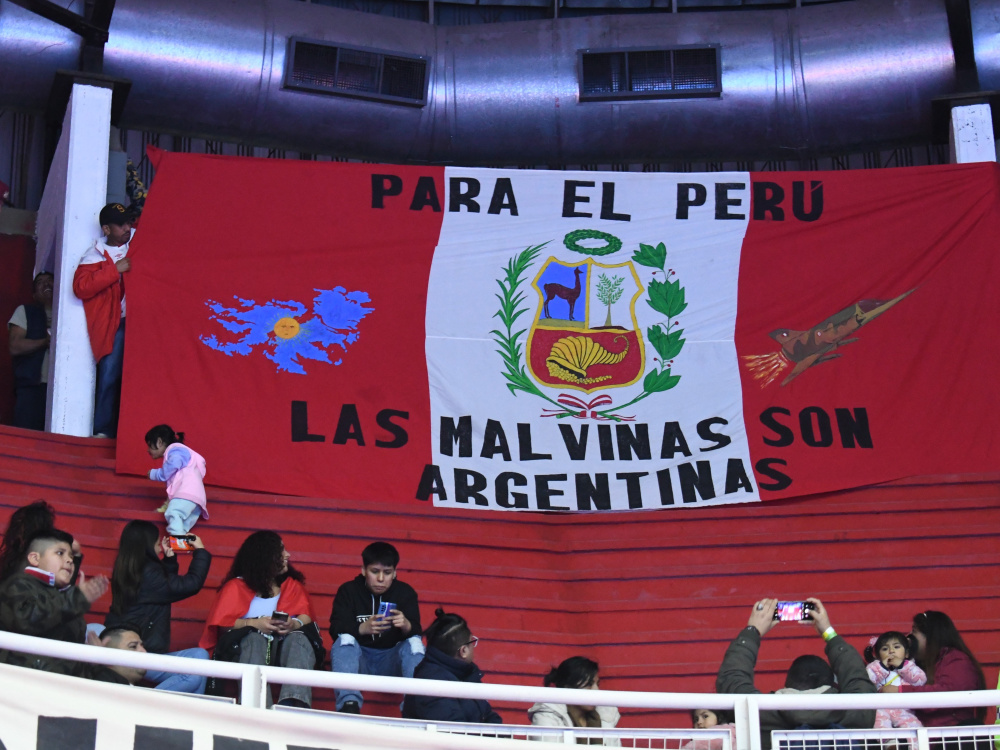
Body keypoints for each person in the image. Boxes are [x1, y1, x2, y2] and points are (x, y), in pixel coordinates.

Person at [716, 597, 875, 750]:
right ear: (833, 684)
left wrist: (753, 630)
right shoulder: (856, 711)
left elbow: (731, 681)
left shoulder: (760, 715)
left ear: (787, 686)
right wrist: (828, 633)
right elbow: (858, 679)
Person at [199, 531, 320, 708]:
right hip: (247, 652)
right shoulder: (235, 587)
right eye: (281, 551)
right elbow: (223, 626)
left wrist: (294, 624)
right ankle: (257, 708)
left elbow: (306, 616)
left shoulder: (291, 585)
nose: (288, 555)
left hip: (283, 650)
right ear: (266, 557)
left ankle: (294, 705)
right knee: (254, 639)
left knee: (299, 639)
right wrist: (255, 624)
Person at [105, 520, 211, 693]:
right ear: (147, 547)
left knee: (200, 657)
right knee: (194, 672)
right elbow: (190, 584)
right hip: (139, 653)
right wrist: (200, 550)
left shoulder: (131, 569)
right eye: (156, 544)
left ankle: (187, 709)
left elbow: (163, 590)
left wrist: (170, 561)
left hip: (143, 651)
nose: (160, 549)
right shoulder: (148, 573)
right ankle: (145, 701)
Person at [329, 541, 424, 713]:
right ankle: (349, 704)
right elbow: (335, 628)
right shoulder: (348, 591)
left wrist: (406, 625)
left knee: (415, 643)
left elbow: (417, 631)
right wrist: (361, 629)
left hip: (391, 661)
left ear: (395, 573)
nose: (381, 579)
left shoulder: (405, 592)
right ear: (363, 570)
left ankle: (414, 707)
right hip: (359, 660)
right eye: (375, 571)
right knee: (345, 640)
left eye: (387, 573)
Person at [0, 529, 109, 677]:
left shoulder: (66, 598)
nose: (69, 560)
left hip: (62, 684)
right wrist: (77, 598)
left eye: (71, 556)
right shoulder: (18, 584)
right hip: (25, 682)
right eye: (60, 553)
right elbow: (27, 619)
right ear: (35, 559)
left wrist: (93, 661)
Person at [72, 202, 134, 438]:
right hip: (117, 325)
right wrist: (115, 270)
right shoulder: (93, 255)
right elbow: (81, 287)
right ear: (106, 229)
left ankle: (132, 431)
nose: (127, 228)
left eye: (128, 222)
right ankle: (103, 431)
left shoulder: (139, 244)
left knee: (141, 376)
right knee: (109, 375)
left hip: (143, 322)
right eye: (121, 225)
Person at [880, 611, 986, 726]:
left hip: (950, 733)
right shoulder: (915, 665)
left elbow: (947, 694)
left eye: (914, 631)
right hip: (922, 733)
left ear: (930, 636)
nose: (908, 637)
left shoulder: (956, 660)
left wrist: (900, 691)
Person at [402, 607, 502, 724]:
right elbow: (453, 731)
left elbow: (488, 714)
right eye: (472, 641)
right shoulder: (432, 685)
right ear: (463, 651)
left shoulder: (466, 672)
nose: (473, 647)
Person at [528, 655, 620, 745]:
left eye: (597, 684)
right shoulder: (547, 717)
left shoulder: (606, 717)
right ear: (567, 687)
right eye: (589, 684)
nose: (596, 691)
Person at [8, 271, 54, 430]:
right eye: (40, 282)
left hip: (61, 389)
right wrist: (44, 342)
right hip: (32, 386)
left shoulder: (70, 313)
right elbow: (15, 346)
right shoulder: (25, 311)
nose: (46, 284)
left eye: (50, 280)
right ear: (34, 294)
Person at [145, 425, 209, 536]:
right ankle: (181, 542)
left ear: (159, 442)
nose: (148, 450)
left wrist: (154, 474)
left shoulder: (176, 450)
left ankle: (178, 541)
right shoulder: (183, 452)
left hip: (186, 494)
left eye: (149, 445)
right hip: (197, 497)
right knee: (181, 526)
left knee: (173, 512)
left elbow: (170, 469)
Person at [0, 500, 83, 583]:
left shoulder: (10, 561)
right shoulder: (45, 557)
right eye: (60, 553)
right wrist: (76, 555)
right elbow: (64, 584)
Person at [864, 630, 925, 728]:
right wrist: (882, 667)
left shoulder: (910, 666)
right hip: (880, 708)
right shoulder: (874, 666)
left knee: (913, 726)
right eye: (885, 649)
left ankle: (912, 738)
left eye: (896, 647)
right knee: (880, 723)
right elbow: (867, 680)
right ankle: (886, 738)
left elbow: (920, 681)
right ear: (878, 655)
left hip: (904, 709)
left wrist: (901, 666)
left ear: (906, 653)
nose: (891, 651)